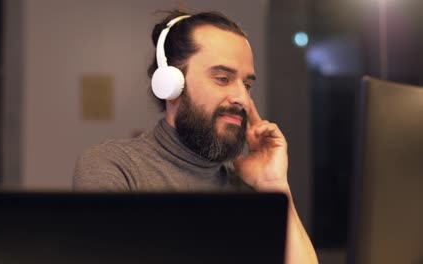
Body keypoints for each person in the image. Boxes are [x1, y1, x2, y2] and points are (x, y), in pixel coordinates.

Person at [73, 10, 318, 263]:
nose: (243, 99)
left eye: (247, 85)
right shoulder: (114, 167)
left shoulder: (250, 188)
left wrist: (274, 184)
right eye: (223, 78)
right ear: (171, 84)